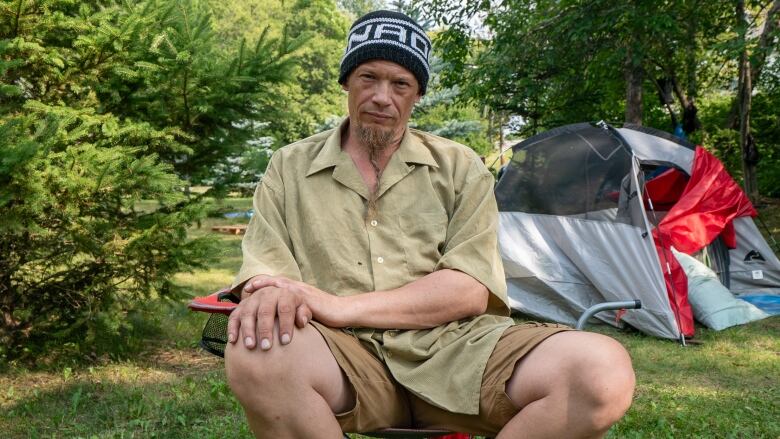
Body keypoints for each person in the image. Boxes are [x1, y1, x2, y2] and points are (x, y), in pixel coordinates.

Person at [225, 10, 635, 439]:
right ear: (347, 82)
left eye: (400, 83)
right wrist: (272, 294)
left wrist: (340, 305)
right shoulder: (289, 166)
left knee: (601, 371)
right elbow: (268, 276)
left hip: (459, 351)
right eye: (368, 77)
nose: (382, 96)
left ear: (417, 93)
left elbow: (468, 289)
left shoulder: (459, 167)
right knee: (257, 351)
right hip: (339, 355)